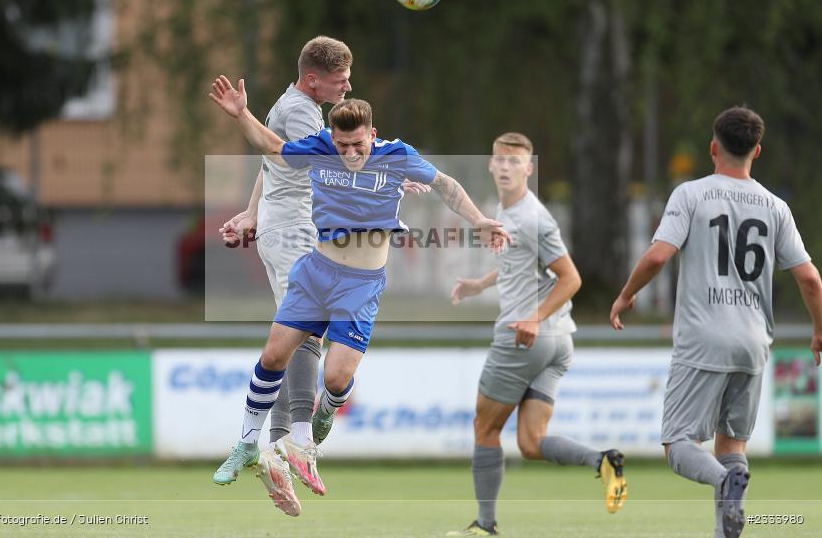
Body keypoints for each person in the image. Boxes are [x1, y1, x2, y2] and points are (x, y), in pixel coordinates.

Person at [208, 75, 510, 502]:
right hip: (316, 272)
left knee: (336, 377)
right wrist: (242, 115)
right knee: (275, 354)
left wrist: (479, 219)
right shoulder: (321, 149)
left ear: (372, 134)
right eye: (343, 145)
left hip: (361, 285)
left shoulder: (397, 156)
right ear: (333, 136)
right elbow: (272, 148)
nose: (350, 154)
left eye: (358, 145)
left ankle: (324, 417)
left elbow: (447, 185)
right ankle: (244, 445)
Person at [218, 36, 429, 517]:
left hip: (285, 224)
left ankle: (279, 453)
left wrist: (252, 212)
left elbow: (277, 161)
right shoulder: (305, 113)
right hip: (296, 229)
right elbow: (300, 156)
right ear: (314, 80)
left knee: (295, 337)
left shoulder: (297, 106)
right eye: (341, 79)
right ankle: (292, 446)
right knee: (303, 335)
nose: (348, 84)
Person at [610, 106, 822, 538]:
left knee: (678, 445)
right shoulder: (775, 206)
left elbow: (656, 256)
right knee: (732, 445)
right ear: (757, 151)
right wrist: (819, 331)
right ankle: (727, 528)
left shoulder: (691, 195)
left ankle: (724, 481)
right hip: (753, 342)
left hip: (703, 339)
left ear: (713, 147)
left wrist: (626, 295)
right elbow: (810, 279)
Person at [447, 133, 627, 537]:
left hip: (526, 337)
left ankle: (485, 526)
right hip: (558, 341)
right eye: (500, 160)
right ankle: (602, 460)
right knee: (531, 442)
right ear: (491, 165)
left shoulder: (532, 216)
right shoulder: (507, 211)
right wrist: (481, 284)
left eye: (516, 161)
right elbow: (522, 264)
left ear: (529, 169)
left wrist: (532, 317)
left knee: (485, 428)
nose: (507, 167)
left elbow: (571, 278)